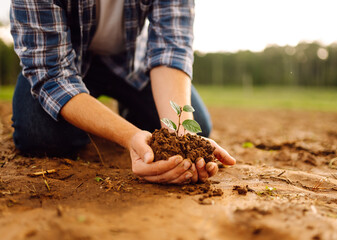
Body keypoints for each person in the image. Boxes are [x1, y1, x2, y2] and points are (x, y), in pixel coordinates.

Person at [10, 0, 235, 184]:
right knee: (39, 134)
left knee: (197, 127)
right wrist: (128, 135)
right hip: (67, 60)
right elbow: (52, 74)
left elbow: (171, 48)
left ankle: (128, 109)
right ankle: (100, 119)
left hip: (131, 63)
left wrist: (184, 140)